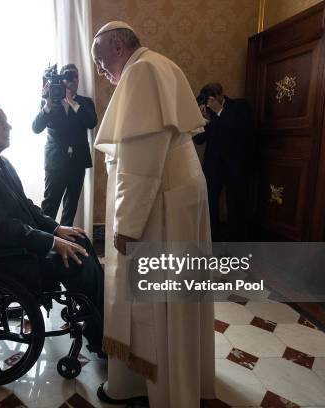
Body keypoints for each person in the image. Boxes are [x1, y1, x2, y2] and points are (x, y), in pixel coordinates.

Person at [91, 21, 216, 407]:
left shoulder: (141, 70)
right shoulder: (160, 63)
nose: (100, 70)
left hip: (159, 202)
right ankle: (177, 380)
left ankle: (165, 392)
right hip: (177, 192)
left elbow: (140, 161)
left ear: (116, 44)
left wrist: (126, 225)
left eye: (100, 60)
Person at [0, 96, 104, 356]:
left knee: (81, 241)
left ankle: (102, 324)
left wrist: (56, 229)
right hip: (2, 259)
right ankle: (99, 336)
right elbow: (0, 228)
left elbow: (26, 207)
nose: (8, 127)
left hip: (15, 247)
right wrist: (52, 242)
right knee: (77, 258)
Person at [32, 64, 98, 226]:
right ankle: (45, 244)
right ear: (61, 79)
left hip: (78, 162)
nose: (74, 80)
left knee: (71, 208)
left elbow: (92, 122)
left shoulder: (85, 102)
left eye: (76, 76)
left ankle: (66, 247)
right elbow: (36, 128)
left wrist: (71, 101)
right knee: (49, 206)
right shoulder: (49, 102)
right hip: (55, 163)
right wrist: (47, 103)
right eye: (69, 76)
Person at [193, 82, 252, 241]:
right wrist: (203, 120)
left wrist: (220, 111)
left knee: (235, 203)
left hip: (235, 165)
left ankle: (236, 241)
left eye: (211, 98)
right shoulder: (208, 112)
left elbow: (242, 131)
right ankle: (213, 239)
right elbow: (199, 140)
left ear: (220, 95)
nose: (208, 102)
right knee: (210, 204)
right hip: (213, 166)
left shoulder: (239, 106)